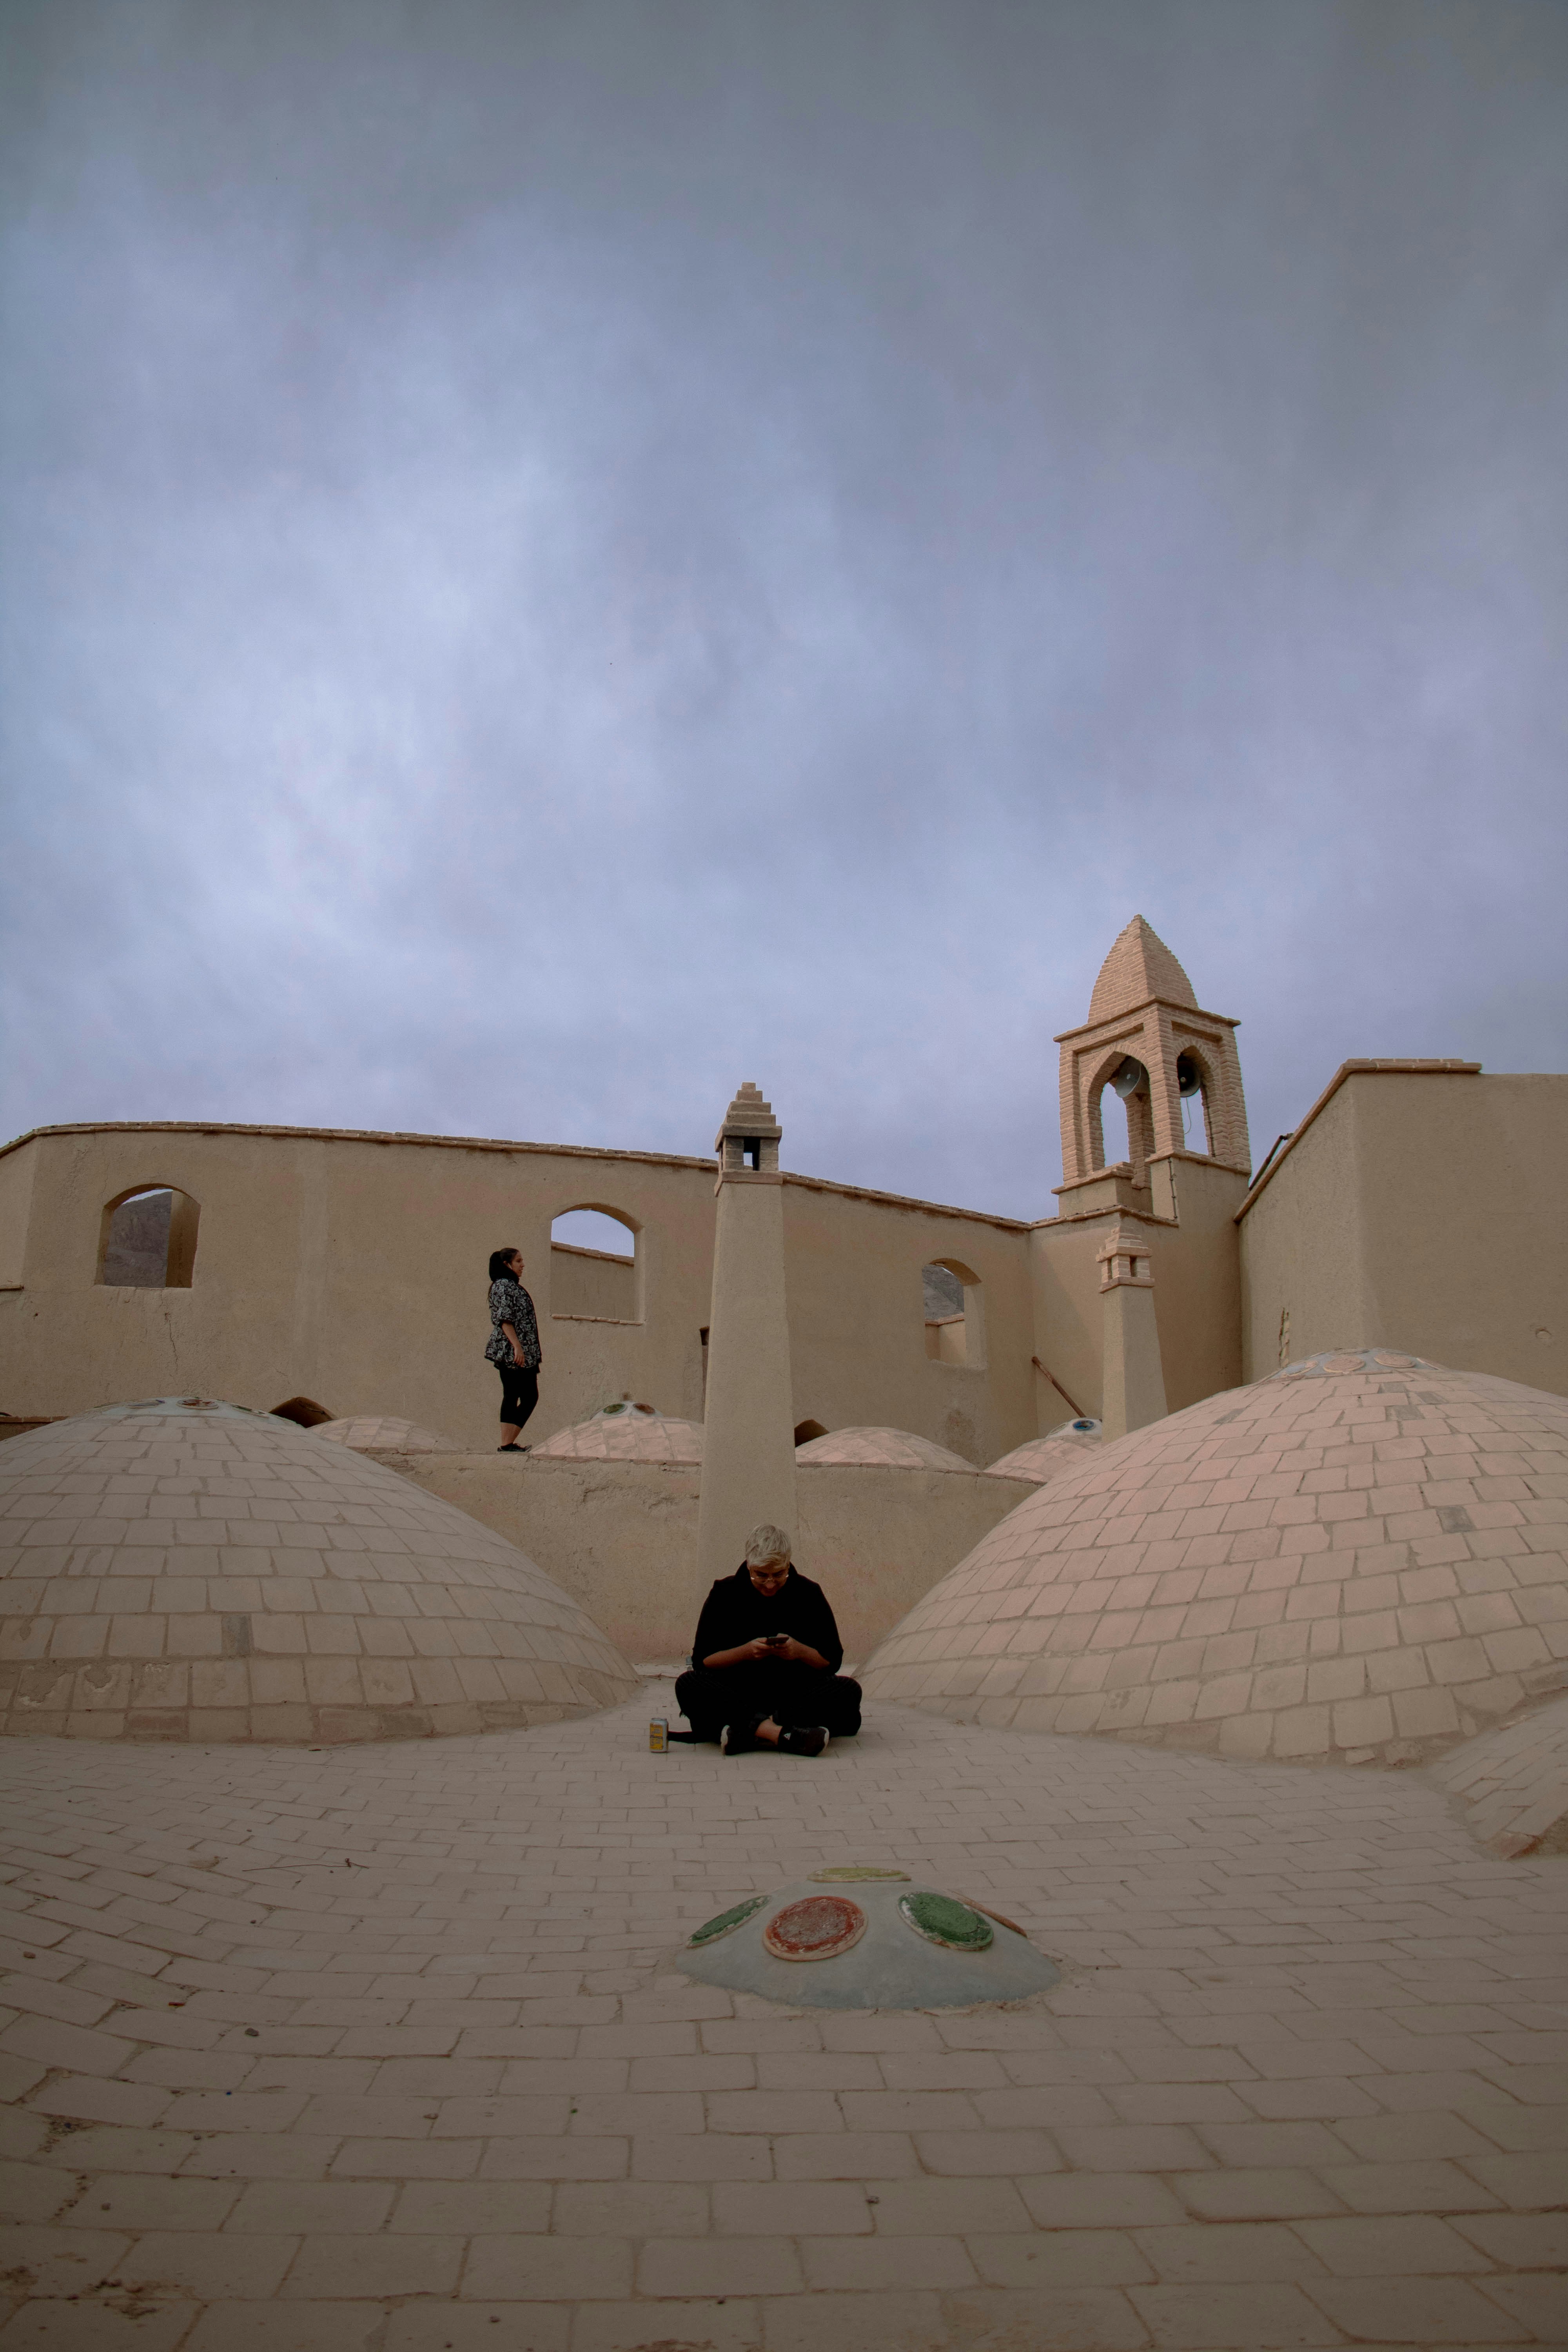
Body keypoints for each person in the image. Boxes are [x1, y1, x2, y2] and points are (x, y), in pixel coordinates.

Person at [675, 1524, 861, 1758]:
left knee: (849, 1691)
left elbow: (832, 1661)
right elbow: (703, 1660)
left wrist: (799, 1651)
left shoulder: (809, 1593)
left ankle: (746, 1732)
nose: (770, 1584)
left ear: (788, 1564)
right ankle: (786, 1735)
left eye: (779, 1575)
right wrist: (744, 1652)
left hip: (794, 1696)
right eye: (761, 1575)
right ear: (749, 1564)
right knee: (688, 1684)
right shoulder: (724, 1593)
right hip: (738, 1691)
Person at [485, 1247, 541, 1452]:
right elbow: (504, 1319)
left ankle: (507, 1444)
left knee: (528, 1397)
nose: (523, 1265)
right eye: (518, 1261)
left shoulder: (512, 1286)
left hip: (524, 1353)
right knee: (514, 1394)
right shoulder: (502, 1286)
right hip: (511, 1352)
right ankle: (506, 1445)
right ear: (507, 1265)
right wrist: (517, 1347)